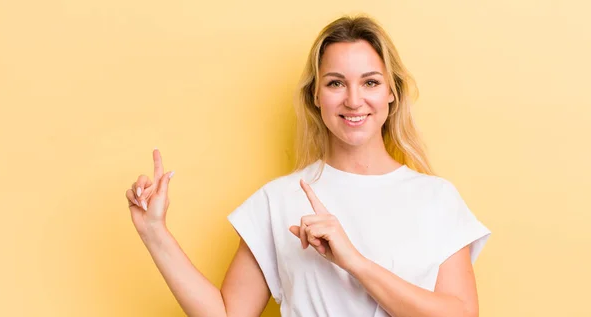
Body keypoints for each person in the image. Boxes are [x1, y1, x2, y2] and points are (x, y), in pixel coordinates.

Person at [125, 15, 491, 317]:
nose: (353, 100)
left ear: (391, 92)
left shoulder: (436, 199)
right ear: (315, 95)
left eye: (370, 82)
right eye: (335, 83)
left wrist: (355, 263)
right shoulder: (278, 200)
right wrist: (154, 232)